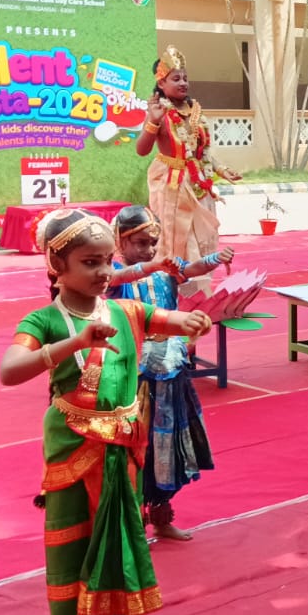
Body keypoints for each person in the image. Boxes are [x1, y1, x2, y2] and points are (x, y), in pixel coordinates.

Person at [0, 209, 210, 615]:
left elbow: (168, 320)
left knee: (121, 556)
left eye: (107, 261)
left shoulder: (124, 311)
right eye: (89, 262)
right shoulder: (44, 321)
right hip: (74, 456)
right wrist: (74, 342)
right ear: (57, 265)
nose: (103, 272)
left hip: (122, 454)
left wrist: (193, 320)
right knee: (74, 562)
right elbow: (9, 370)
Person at [106, 206, 233, 541]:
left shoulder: (165, 271)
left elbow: (190, 269)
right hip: (135, 378)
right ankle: (133, 525)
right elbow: (117, 279)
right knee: (137, 449)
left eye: (153, 243)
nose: (149, 250)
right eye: (140, 243)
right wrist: (153, 265)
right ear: (120, 241)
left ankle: (162, 517)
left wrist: (215, 258)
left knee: (169, 446)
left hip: (171, 371)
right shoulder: (113, 275)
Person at [137, 46, 240, 295]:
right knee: (179, 242)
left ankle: (199, 292)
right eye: (176, 78)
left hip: (199, 185)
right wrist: (153, 121)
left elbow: (200, 152)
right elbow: (142, 150)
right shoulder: (159, 111)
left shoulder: (195, 111)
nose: (183, 83)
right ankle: (175, 293)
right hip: (172, 187)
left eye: (185, 78)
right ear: (161, 83)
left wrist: (221, 169)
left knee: (204, 240)